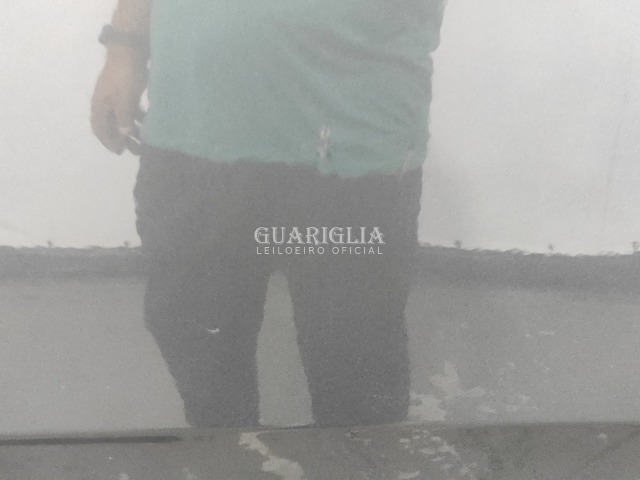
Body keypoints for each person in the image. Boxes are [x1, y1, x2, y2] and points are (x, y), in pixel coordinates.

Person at [91, 0, 446, 428]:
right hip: (193, 125)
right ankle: (227, 453)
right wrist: (125, 49)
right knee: (196, 337)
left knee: (355, 359)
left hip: (349, 142)